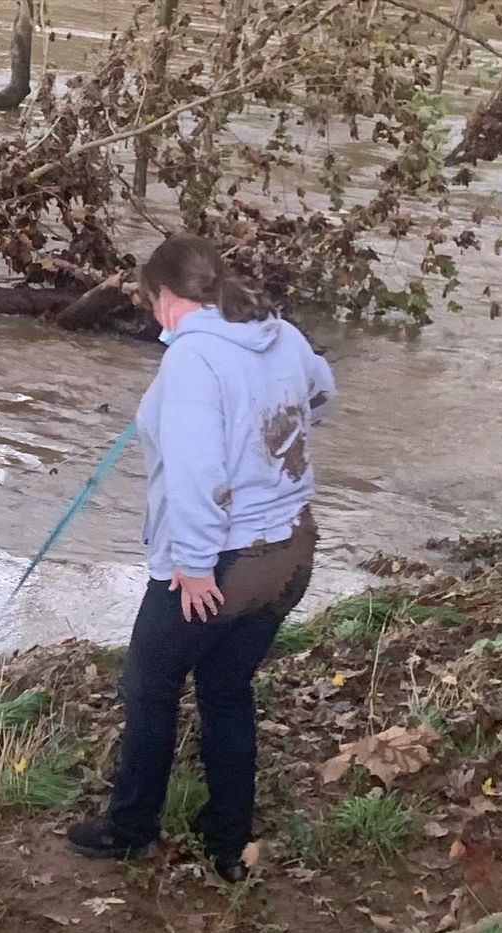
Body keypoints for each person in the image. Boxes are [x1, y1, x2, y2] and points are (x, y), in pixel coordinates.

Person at [67, 233, 335, 882]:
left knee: (149, 685)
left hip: (224, 560)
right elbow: (320, 395)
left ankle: (131, 828)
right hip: (292, 550)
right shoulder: (280, 334)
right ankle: (228, 842)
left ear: (163, 296)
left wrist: (191, 566)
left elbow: (196, 477)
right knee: (225, 688)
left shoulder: (192, 361)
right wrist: (264, 445)